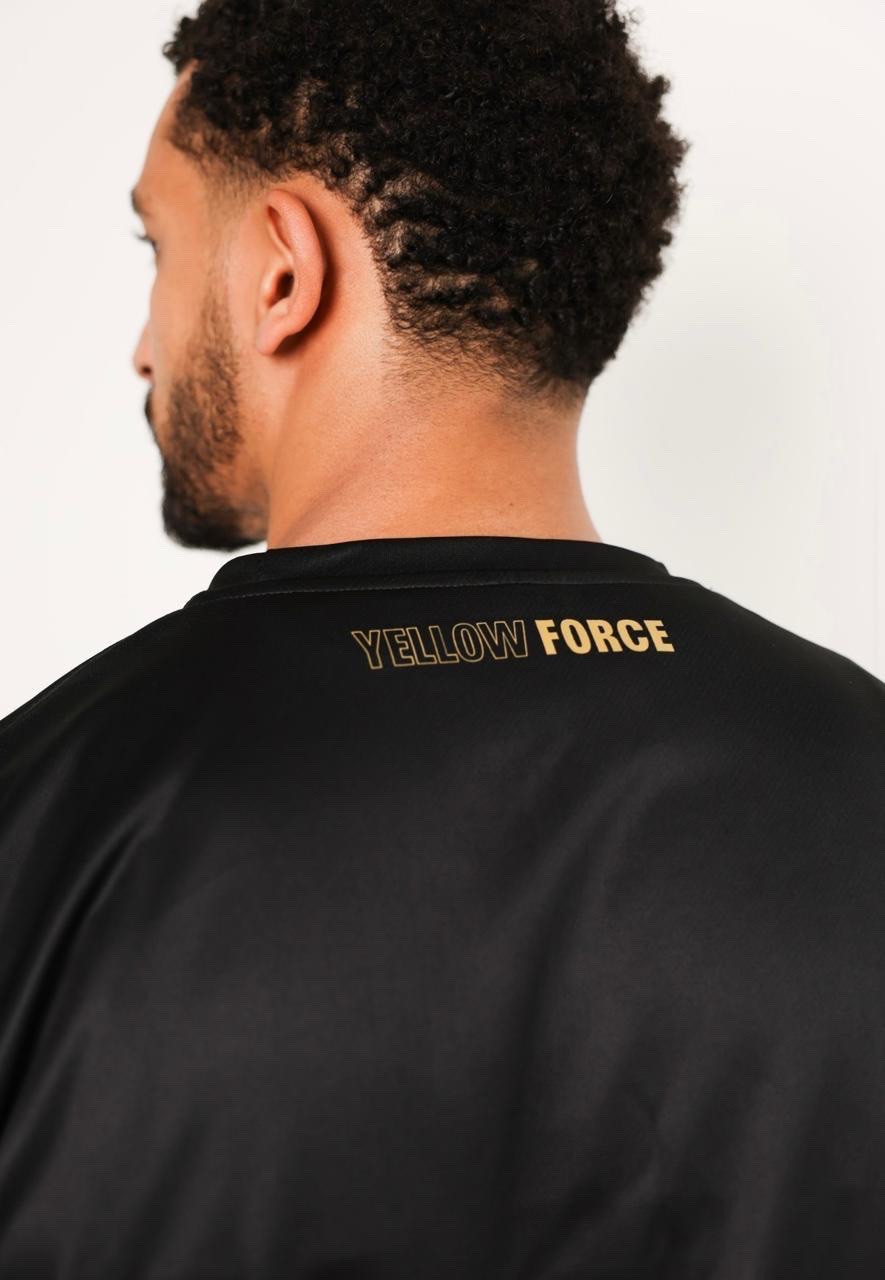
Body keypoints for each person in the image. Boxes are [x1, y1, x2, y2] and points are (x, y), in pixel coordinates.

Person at [0, 0, 883, 1274]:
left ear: (282, 272)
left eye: (161, 248)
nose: (145, 346)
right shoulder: (861, 766)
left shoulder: (47, 817)